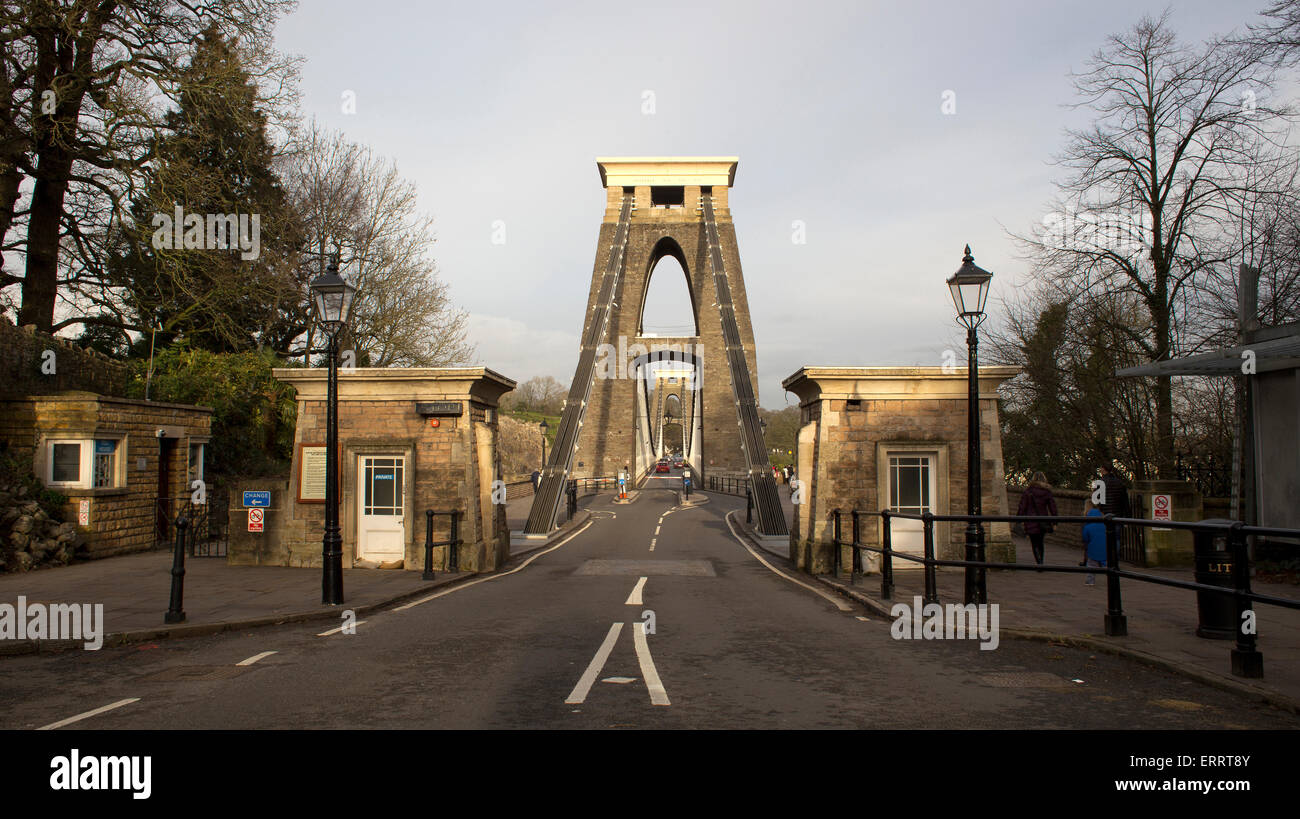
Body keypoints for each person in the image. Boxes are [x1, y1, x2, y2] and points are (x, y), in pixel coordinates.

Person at [1015, 471, 1057, 568]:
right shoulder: (1047, 492)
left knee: (1034, 543)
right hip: (1043, 520)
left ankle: (1039, 562)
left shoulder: (1028, 492)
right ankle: (1041, 560)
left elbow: (1022, 507)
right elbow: (1052, 507)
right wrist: (1055, 522)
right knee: (1040, 542)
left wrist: (1018, 520)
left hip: (1030, 520)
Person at [1081, 501, 1107, 585]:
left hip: (1092, 549)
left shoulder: (1087, 527)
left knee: (1091, 565)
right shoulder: (1105, 525)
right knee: (1105, 565)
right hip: (1105, 549)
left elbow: (1085, 538)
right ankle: (1111, 577)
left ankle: (1090, 581)